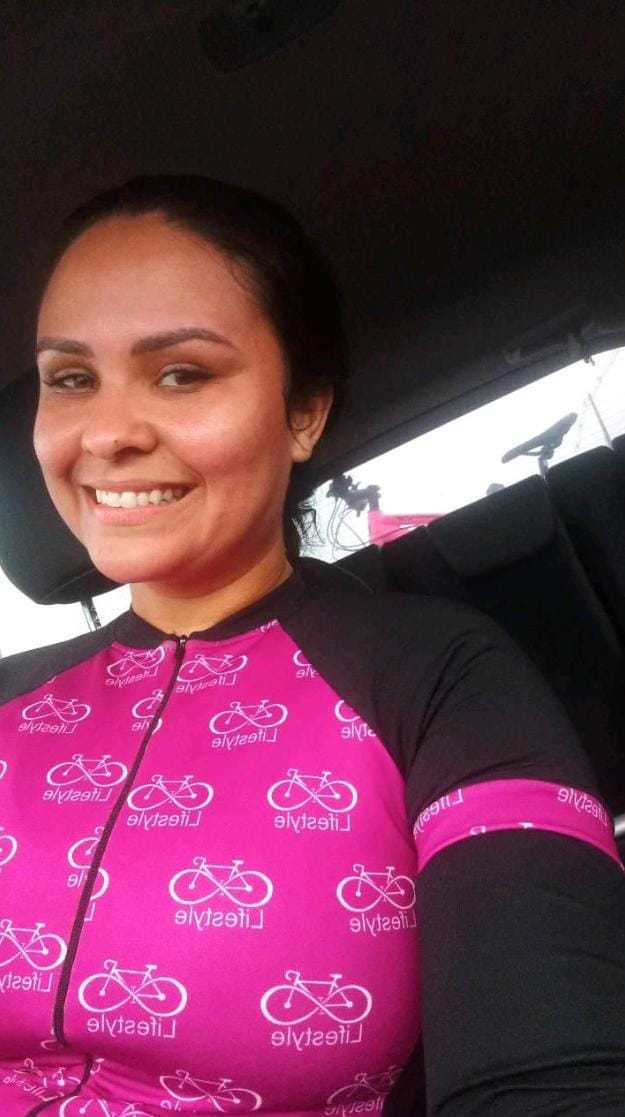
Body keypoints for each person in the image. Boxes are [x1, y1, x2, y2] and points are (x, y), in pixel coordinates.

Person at [1, 175, 625, 1117]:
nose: (109, 432)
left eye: (182, 373)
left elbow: (551, 1078)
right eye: (71, 378)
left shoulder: (436, 677)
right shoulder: (9, 702)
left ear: (303, 411)